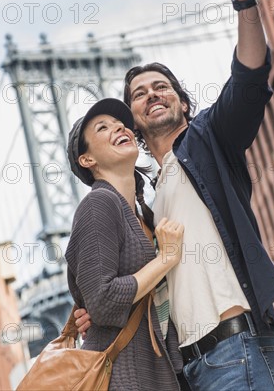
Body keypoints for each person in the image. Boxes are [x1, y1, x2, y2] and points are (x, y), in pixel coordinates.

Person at [75, 0, 274, 391]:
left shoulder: (210, 139)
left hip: (237, 351)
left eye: (162, 87)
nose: (151, 94)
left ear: (184, 104)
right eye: (139, 94)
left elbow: (250, 77)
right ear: (131, 122)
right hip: (188, 370)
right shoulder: (148, 205)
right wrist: (93, 308)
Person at [65, 97, 185, 391]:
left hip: (158, 375)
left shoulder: (144, 216)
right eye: (102, 128)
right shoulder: (99, 204)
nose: (119, 127)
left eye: (120, 124)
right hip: (124, 377)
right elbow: (103, 302)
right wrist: (165, 259)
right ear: (87, 160)